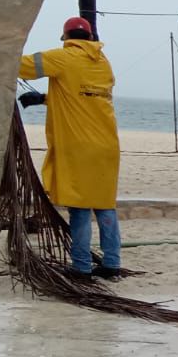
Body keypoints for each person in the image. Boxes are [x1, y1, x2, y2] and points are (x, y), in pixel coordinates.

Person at [19, 17, 122, 279]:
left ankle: (81, 267)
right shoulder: (103, 63)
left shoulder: (64, 57)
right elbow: (80, 97)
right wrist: (43, 98)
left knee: (79, 207)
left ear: (66, 38)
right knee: (104, 205)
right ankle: (111, 263)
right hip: (107, 146)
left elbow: (23, 66)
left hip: (79, 147)